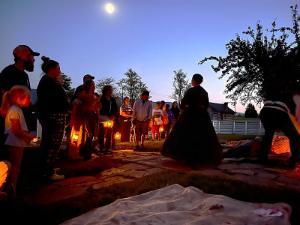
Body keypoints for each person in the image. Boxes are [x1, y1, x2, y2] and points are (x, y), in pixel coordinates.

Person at [162, 74, 222, 166]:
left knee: (185, 135)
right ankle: (203, 157)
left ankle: (186, 156)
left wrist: (186, 108)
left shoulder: (191, 91)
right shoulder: (204, 92)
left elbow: (183, 103)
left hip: (190, 116)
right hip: (202, 118)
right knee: (202, 136)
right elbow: (206, 105)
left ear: (194, 80)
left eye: (192, 80)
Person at [0, 45, 39, 149]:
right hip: (12, 128)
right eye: (31, 56)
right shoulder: (9, 72)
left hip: (20, 126)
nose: (34, 59)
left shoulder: (24, 75)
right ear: (22, 56)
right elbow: (5, 98)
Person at [37, 56, 69, 181]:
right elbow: (53, 100)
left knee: (52, 143)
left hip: (54, 116)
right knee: (52, 143)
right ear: (51, 69)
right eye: (58, 68)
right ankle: (47, 172)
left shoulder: (50, 81)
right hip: (53, 117)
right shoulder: (48, 82)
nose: (60, 71)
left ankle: (49, 167)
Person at [1, 86, 35, 195]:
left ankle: (11, 188)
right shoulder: (15, 110)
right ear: (19, 98)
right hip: (14, 142)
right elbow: (16, 130)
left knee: (15, 166)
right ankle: (12, 189)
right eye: (28, 98)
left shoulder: (15, 109)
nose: (30, 100)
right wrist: (29, 136)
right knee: (15, 167)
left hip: (16, 142)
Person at [258, 81, 300, 167]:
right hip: (278, 113)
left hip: (265, 112)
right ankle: (294, 160)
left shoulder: (274, 92)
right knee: (294, 136)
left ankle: (262, 158)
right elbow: (297, 112)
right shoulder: (295, 95)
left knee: (268, 134)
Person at [70, 81, 100, 159]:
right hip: (84, 116)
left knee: (91, 135)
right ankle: (82, 152)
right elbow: (77, 103)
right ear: (88, 86)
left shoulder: (94, 95)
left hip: (92, 116)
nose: (94, 86)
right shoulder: (83, 94)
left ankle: (88, 152)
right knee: (86, 134)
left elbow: (96, 106)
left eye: (94, 84)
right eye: (92, 84)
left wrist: (96, 112)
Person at [99, 85, 118, 154]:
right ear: (106, 91)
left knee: (109, 133)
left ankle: (108, 147)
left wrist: (113, 115)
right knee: (102, 133)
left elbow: (115, 109)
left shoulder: (112, 99)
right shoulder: (102, 99)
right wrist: (107, 115)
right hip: (103, 118)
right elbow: (100, 108)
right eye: (110, 90)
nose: (111, 91)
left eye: (111, 90)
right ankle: (101, 147)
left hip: (110, 119)